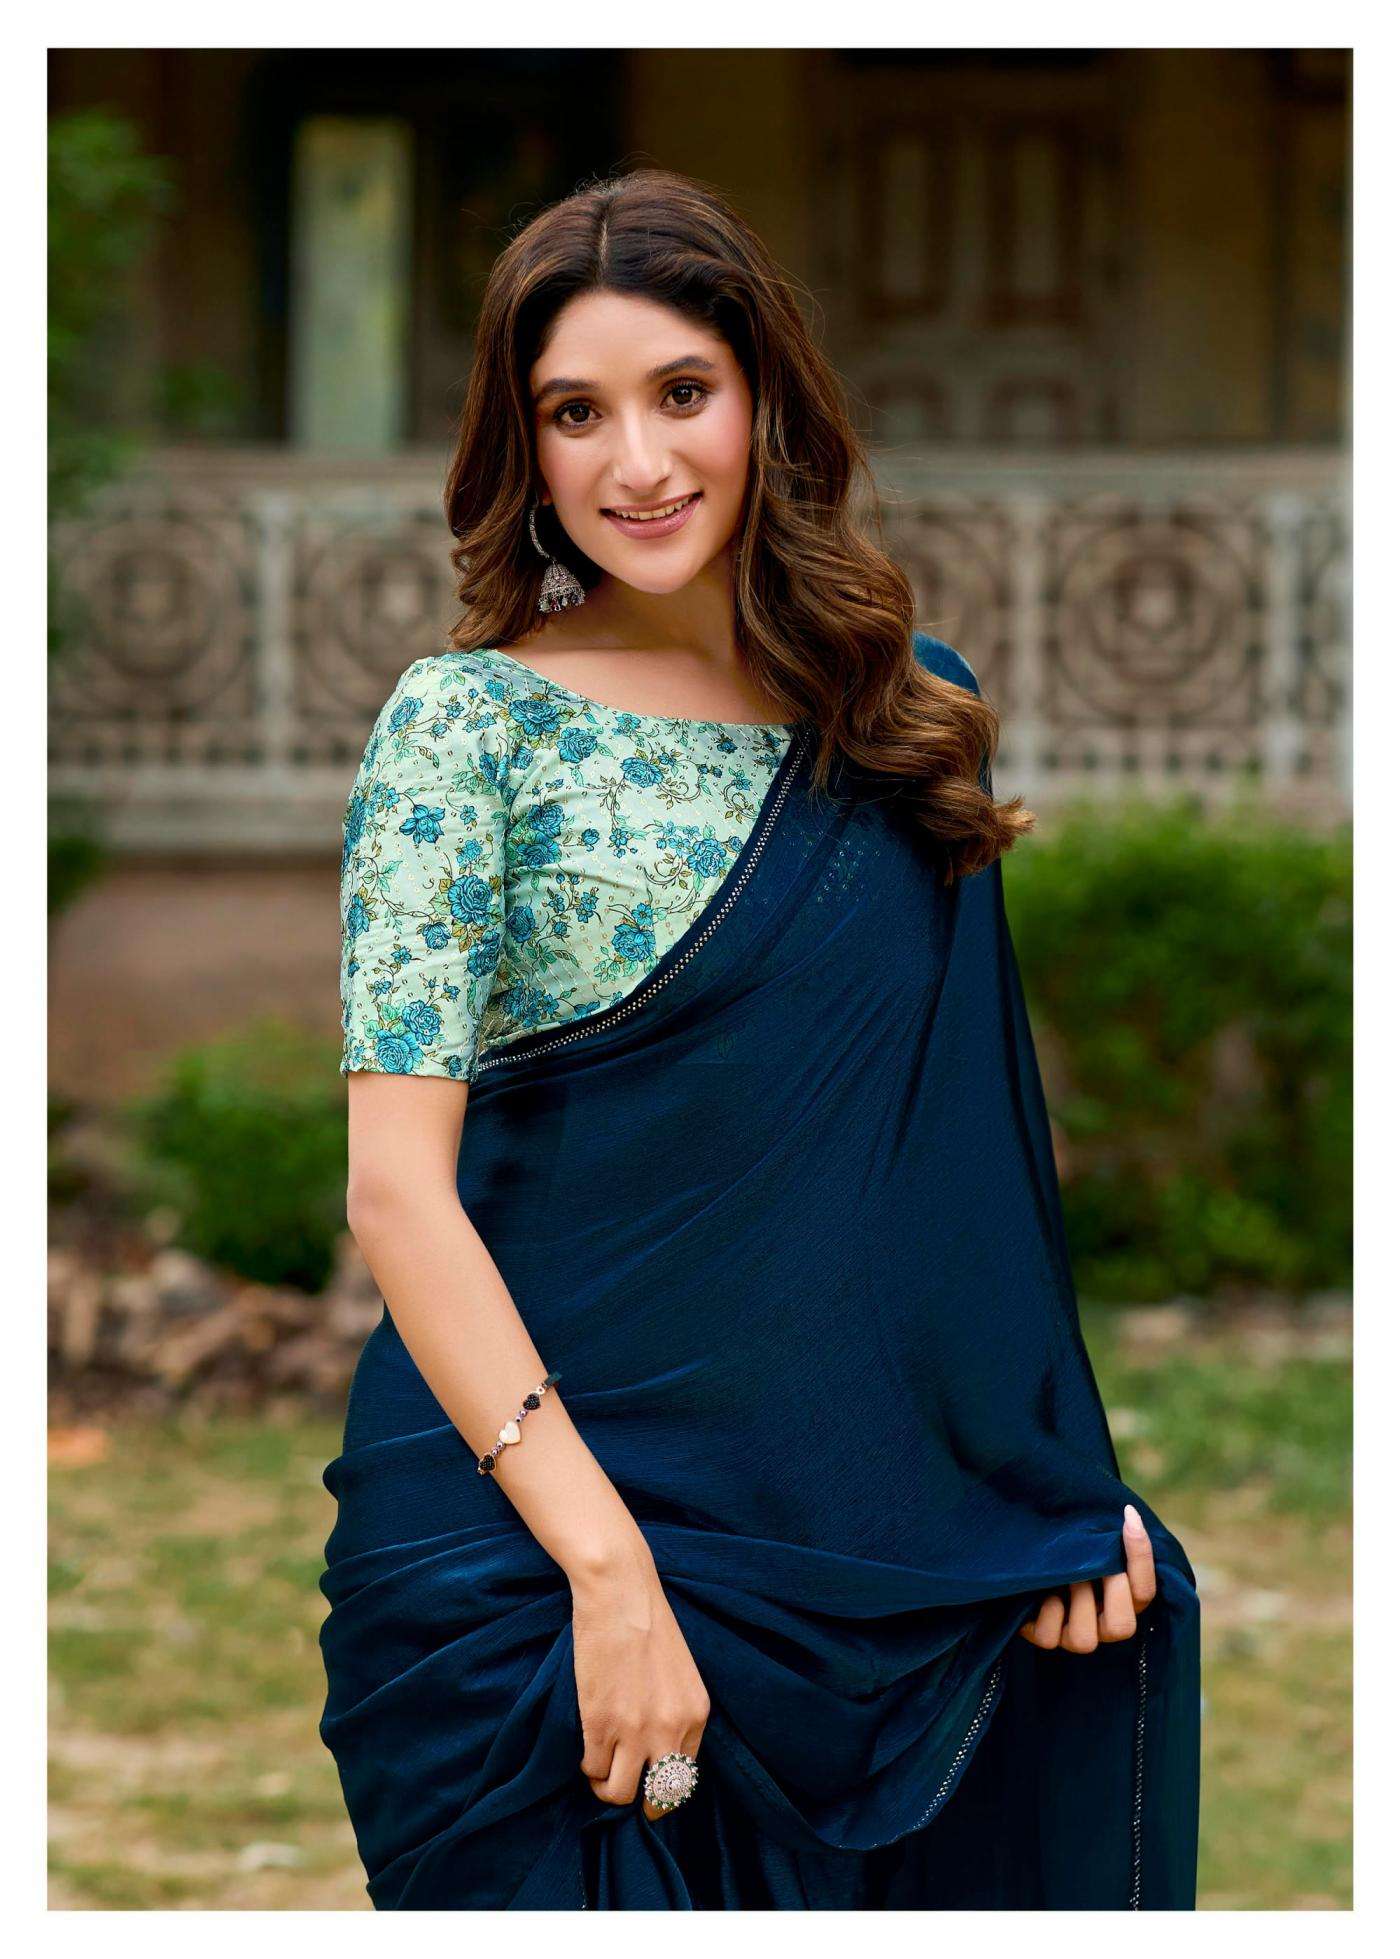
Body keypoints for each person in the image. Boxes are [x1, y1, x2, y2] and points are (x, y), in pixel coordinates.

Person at [319, 167, 1201, 1911]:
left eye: (682, 393)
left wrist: (1038, 1486)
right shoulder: (465, 726)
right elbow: (395, 1193)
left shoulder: (899, 713)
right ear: (523, 445)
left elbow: (964, 1179)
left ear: (766, 400)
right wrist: (609, 1578)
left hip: (846, 1539)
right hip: (520, 1559)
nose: (639, 462)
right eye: (576, 412)